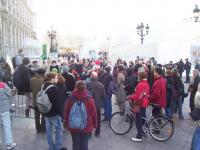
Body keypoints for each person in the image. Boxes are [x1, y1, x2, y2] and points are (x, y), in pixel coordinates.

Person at [65, 81, 97, 150]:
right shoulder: (90, 99)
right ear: (85, 88)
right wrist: (94, 124)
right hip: (86, 125)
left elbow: (66, 112)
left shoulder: (70, 98)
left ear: (76, 87)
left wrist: (67, 124)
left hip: (73, 125)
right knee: (84, 144)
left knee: (75, 143)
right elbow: (94, 113)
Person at [43, 73, 67, 150]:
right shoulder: (53, 88)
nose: (57, 79)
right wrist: (61, 114)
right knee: (59, 129)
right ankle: (58, 147)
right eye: (56, 78)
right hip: (53, 113)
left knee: (49, 131)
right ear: (52, 79)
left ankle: (51, 147)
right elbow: (56, 103)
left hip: (46, 112)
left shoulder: (44, 86)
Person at [129, 67, 150, 142]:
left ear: (140, 76)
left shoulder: (140, 84)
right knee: (143, 118)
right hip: (144, 103)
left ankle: (139, 136)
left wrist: (130, 96)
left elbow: (138, 96)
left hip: (140, 104)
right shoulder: (146, 83)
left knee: (138, 120)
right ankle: (144, 131)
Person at [0, 72, 17, 149]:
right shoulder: (3, 85)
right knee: (7, 126)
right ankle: (9, 144)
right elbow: (11, 93)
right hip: (4, 109)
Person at [86, 72, 106, 136]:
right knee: (98, 118)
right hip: (98, 104)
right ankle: (97, 132)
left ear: (91, 77)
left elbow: (86, 94)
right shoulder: (101, 84)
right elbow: (104, 95)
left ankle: (89, 132)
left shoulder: (88, 84)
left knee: (89, 118)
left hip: (89, 104)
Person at [30, 68, 46, 133]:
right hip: (42, 101)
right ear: (42, 74)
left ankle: (38, 129)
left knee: (36, 116)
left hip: (35, 101)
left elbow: (30, 88)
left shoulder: (32, 80)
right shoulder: (44, 81)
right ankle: (42, 129)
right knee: (43, 115)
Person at [191, 83, 200, 150]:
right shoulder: (198, 95)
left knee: (197, 134)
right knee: (197, 135)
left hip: (198, 119)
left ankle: (193, 147)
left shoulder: (197, 94)